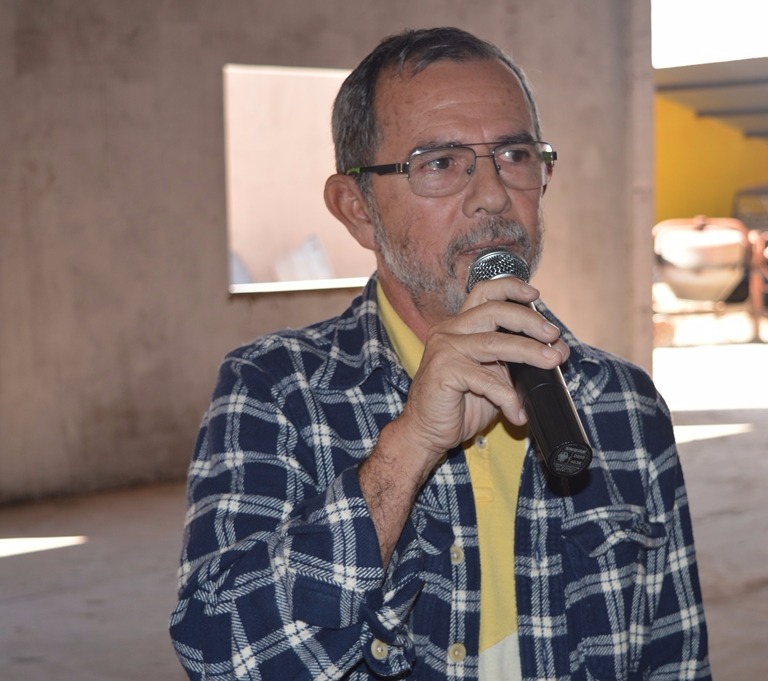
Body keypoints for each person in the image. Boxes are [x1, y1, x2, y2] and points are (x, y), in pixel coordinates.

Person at [169, 27, 710, 680]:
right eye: (440, 163)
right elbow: (220, 653)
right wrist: (409, 446)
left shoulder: (624, 403)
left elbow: (675, 659)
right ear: (357, 207)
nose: (492, 194)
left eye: (514, 154)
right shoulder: (277, 391)